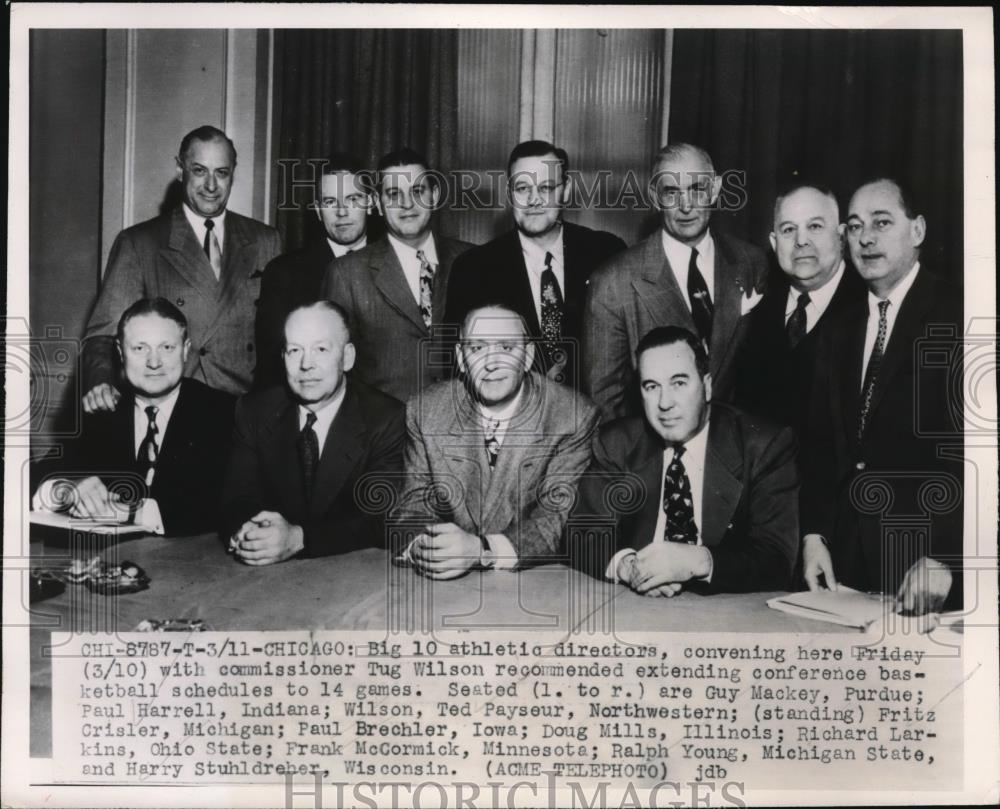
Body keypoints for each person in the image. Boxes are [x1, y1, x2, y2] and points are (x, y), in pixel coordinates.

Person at [800, 178, 964, 614]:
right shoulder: (838, 327)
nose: (866, 237)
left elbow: (980, 457)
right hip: (844, 571)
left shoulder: (961, 315)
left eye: (881, 222)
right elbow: (818, 443)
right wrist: (814, 535)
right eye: (854, 226)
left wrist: (950, 560)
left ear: (918, 230)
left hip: (927, 571)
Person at [571, 326, 799, 595]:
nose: (665, 403)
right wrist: (627, 566)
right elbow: (580, 534)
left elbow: (777, 560)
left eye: (679, 383)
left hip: (725, 612)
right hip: (634, 608)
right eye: (651, 386)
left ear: (707, 385)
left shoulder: (763, 446)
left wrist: (699, 561)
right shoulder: (617, 443)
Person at [391, 304, 600, 578]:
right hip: (444, 586)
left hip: (533, 582)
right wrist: (425, 546)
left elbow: (555, 520)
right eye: (477, 348)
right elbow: (411, 506)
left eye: (506, 348)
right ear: (461, 358)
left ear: (527, 357)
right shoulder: (426, 410)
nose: (491, 363)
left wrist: (481, 550)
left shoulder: (572, 416)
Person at [82, 125, 281, 409]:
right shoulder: (140, 243)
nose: (211, 185)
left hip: (245, 412)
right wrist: (100, 381)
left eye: (221, 173)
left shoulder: (265, 240)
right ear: (180, 170)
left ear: (232, 174)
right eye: (199, 171)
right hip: (174, 411)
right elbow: (103, 334)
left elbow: (279, 340)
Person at [583, 142, 769, 421]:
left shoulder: (752, 262)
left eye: (697, 189)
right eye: (672, 192)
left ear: (716, 189)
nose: (686, 206)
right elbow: (606, 403)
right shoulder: (612, 283)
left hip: (738, 450)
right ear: (655, 197)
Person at [221, 301, 405, 565]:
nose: (306, 364)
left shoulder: (386, 418)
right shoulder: (254, 410)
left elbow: (381, 518)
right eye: (295, 350)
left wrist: (299, 538)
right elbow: (237, 497)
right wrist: (249, 531)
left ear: (348, 357)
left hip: (351, 574)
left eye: (321, 349)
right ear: (283, 357)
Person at [33, 298, 235, 535]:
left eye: (167, 347)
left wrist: (130, 512)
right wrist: (68, 489)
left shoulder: (222, 412)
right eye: (140, 348)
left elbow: (224, 503)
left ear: (186, 350)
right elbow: (35, 476)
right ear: (120, 352)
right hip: (114, 561)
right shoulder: (103, 410)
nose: (154, 362)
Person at [444, 140, 625, 387]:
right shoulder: (473, 269)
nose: (534, 200)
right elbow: (456, 369)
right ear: (509, 193)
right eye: (522, 188)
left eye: (546, 187)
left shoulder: (606, 252)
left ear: (566, 189)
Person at [322, 147, 473, 403]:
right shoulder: (347, 274)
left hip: (463, 428)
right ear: (378, 204)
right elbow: (333, 369)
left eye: (417, 191)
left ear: (434, 196)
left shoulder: (472, 261)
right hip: (385, 435)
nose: (407, 204)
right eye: (393, 194)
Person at [735, 183, 866, 433]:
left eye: (815, 227)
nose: (801, 241)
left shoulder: (871, 306)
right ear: (774, 243)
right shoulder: (758, 308)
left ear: (841, 236)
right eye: (788, 230)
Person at [255, 154, 377, 388]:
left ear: (370, 204)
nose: (342, 212)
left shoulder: (394, 265)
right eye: (330, 202)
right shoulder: (284, 273)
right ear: (319, 210)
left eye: (353, 199)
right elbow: (271, 369)